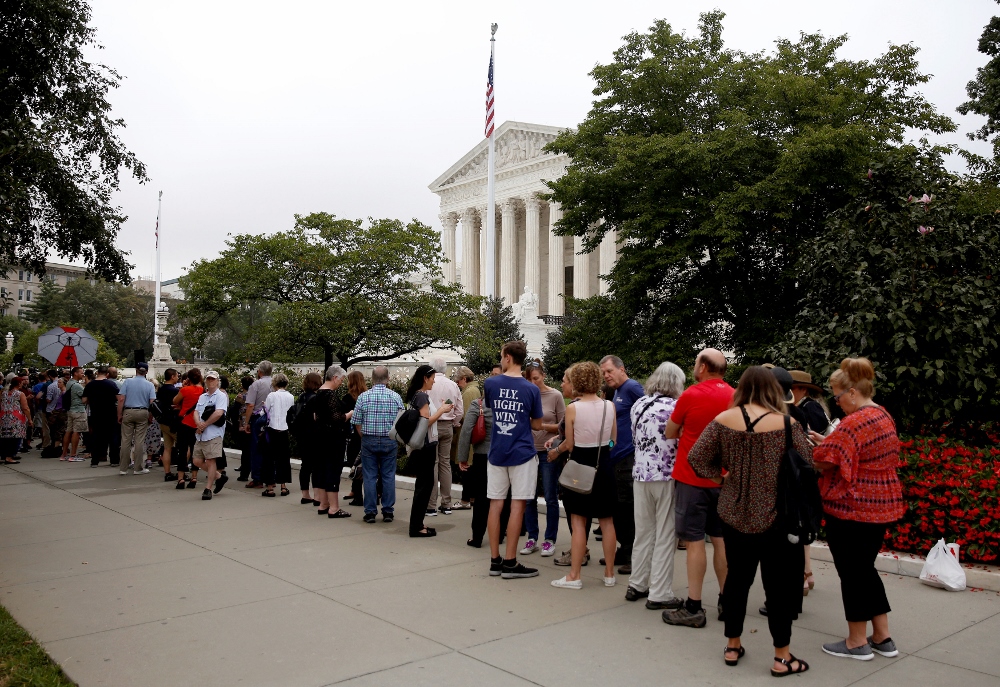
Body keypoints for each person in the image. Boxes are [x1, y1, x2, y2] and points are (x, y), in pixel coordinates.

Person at [689, 366, 813, 676]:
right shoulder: (787, 424)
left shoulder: (722, 421)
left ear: (741, 387)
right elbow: (807, 465)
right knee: (779, 587)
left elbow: (696, 458)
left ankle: (732, 645)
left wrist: (723, 477)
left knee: (737, 581)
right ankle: (782, 657)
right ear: (773, 388)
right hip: (777, 516)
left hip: (734, 513)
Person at [811, 358, 904, 662]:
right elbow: (854, 451)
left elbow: (825, 462)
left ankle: (856, 641)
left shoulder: (855, 422)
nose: (836, 403)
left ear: (851, 392)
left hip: (853, 507)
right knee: (865, 570)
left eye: (837, 397)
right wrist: (831, 442)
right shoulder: (882, 415)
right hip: (880, 505)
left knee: (852, 573)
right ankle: (882, 636)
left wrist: (811, 451)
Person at [663, 348, 733, 628]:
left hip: (692, 478)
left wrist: (684, 431)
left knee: (694, 541)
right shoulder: (735, 395)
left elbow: (670, 431)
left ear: (703, 367)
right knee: (721, 540)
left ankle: (694, 605)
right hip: (724, 479)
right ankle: (727, 600)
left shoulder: (691, 394)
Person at [549, 361, 618, 589]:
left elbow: (569, 444)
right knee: (607, 521)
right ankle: (609, 574)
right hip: (604, 465)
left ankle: (574, 576)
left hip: (580, 466)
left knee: (578, 522)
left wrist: (555, 451)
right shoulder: (610, 406)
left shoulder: (573, 408)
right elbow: (613, 440)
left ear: (577, 382)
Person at [626, 361, 685, 610]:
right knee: (665, 534)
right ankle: (660, 592)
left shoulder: (639, 404)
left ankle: (637, 583)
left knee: (644, 532)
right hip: (666, 475)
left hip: (640, 474)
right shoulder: (675, 407)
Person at [484, 340, 543, 579]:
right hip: (522, 452)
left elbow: (493, 410)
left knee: (495, 504)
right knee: (518, 505)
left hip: (497, 451)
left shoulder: (491, 383)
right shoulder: (532, 390)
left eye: (501, 355)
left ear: (508, 357)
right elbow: (537, 425)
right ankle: (511, 562)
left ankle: (495, 560)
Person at [599, 355, 645, 574]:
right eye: (604, 373)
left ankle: (633, 555)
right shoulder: (617, 391)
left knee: (628, 508)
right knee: (620, 507)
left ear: (622, 369)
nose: (606, 376)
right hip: (616, 457)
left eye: (609, 371)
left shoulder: (632, 387)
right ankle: (624, 549)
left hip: (629, 457)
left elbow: (649, 410)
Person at [520, 359, 565, 557]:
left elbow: (564, 426)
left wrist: (540, 426)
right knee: (528, 496)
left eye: (536, 379)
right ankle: (532, 537)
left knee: (550, 496)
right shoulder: (525, 394)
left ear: (543, 376)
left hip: (548, 451)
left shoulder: (555, 395)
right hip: (528, 450)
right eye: (530, 380)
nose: (533, 383)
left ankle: (549, 539)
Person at [351, 365, 403, 523]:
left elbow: (357, 422)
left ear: (372, 379)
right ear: (387, 379)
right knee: (388, 476)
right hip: (389, 440)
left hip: (369, 439)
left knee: (369, 476)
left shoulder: (363, 397)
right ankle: (388, 511)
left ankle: (370, 512)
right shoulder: (395, 397)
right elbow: (400, 422)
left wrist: (364, 436)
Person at [406, 365, 454, 537]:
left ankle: (418, 524)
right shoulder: (421, 397)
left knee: (425, 485)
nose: (434, 380)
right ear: (425, 378)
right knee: (424, 486)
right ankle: (417, 526)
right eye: (433, 377)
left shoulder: (418, 396)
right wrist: (441, 410)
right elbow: (425, 422)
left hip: (424, 446)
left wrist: (440, 408)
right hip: (426, 447)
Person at [306, 366, 352, 517]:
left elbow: (315, 417)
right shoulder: (330, 395)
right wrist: (350, 414)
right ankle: (334, 508)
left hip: (320, 437)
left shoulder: (318, 393)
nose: (341, 383)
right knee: (333, 470)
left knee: (322, 469)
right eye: (341, 380)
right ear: (335, 378)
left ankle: (323, 504)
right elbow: (337, 419)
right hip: (333, 438)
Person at [455, 387, 493, 547]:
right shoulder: (506, 406)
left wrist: (462, 457)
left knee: (481, 498)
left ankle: (477, 536)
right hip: (503, 456)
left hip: (482, 455)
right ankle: (501, 533)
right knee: (502, 498)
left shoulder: (478, 405)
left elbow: (466, 431)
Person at [425, 357, 463, 516]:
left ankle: (431, 505)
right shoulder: (453, 385)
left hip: (431, 425)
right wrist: (454, 423)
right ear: (445, 369)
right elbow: (460, 410)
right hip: (447, 426)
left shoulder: (427, 384)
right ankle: (446, 504)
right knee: (445, 463)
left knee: (433, 464)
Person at [191, 370, 230, 500]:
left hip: (213, 434)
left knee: (210, 460)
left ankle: (208, 488)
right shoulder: (203, 396)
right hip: (201, 434)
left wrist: (204, 424)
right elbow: (196, 411)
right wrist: (198, 424)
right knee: (196, 461)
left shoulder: (221, 396)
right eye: (208, 379)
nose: (210, 382)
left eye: (213, 379)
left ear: (218, 381)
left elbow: (219, 413)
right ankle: (219, 477)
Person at [116, 362, 156, 475]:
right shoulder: (150, 385)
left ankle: (123, 468)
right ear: (146, 372)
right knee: (139, 440)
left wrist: (119, 414)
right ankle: (138, 467)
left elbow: (121, 399)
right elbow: (152, 402)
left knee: (125, 440)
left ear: (136, 370)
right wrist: (150, 416)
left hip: (128, 411)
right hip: (143, 411)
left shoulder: (127, 382)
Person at [261, 373, 295, 497]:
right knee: (283, 458)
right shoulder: (290, 396)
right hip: (284, 430)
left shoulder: (271, 396)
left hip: (272, 429)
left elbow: (264, 412)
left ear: (274, 383)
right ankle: (283, 486)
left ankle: (270, 487)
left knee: (269, 458)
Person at [242, 360, 273, 488]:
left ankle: (257, 478)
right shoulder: (275, 383)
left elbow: (250, 405)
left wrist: (246, 422)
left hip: (258, 418)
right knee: (270, 448)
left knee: (256, 448)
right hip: (272, 418)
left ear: (259, 372)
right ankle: (271, 477)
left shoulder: (256, 385)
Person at [452, 365, 479, 510]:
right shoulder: (475, 390)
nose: (457, 384)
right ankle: (472, 497)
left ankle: (465, 500)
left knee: (466, 466)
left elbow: (466, 416)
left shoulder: (468, 393)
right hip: (474, 435)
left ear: (464, 378)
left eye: (458, 381)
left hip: (467, 435)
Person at [82, 366, 121, 467]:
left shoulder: (90, 385)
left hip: (96, 413)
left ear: (97, 373)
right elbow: (119, 398)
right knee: (113, 437)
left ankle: (95, 460)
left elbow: (84, 400)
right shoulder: (111, 384)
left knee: (96, 437)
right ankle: (114, 460)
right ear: (107, 374)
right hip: (110, 413)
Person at [294, 372, 322, 505]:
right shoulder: (316, 399)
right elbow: (317, 418)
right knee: (316, 466)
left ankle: (305, 494)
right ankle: (317, 496)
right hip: (314, 435)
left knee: (305, 465)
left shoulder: (301, 398)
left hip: (301, 435)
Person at [173, 368, 204, 488]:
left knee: (182, 451)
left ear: (188, 378)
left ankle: (180, 478)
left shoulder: (185, 390)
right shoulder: (203, 391)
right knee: (195, 451)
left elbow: (175, 400)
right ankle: (194, 477)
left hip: (184, 423)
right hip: (197, 424)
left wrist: (182, 387)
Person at [341, 370, 366, 506]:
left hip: (353, 435)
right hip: (367, 433)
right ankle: (374, 493)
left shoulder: (347, 398)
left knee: (355, 464)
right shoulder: (367, 395)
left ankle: (357, 494)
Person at [156, 368, 182, 481]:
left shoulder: (161, 389)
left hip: (163, 421)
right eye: (176, 376)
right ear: (172, 376)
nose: (177, 377)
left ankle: (167, 473)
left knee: (167, 448)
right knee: (184, 447)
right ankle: (182, 471)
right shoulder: (174, 391)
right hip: (174, 422)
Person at [1, 377, 31, 464]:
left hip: (3, 417)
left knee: (4, 437)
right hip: (16, 418)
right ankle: (9, 456)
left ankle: (3, 455)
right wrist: (29, 419)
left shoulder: (3, 393)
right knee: (15, 437)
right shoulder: (20, 394)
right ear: (18, 383)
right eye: (21, 382)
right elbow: (25, 408)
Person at [60, 366, 87, 462]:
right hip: (78, 410)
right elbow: (85, 398)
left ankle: (64, 454)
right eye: (81, 372)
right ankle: (73, 454)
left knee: (68, 431)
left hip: (71, 410)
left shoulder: (69, 383)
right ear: (75, 373)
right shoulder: (77, 385)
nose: (83, 374)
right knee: (77, 431)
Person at [233, 376, 253, 481]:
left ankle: (244, 473)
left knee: (245, 450)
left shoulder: (240, 397)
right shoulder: (254, 396)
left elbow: (234, 411)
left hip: (242, 426)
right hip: (253, 425)